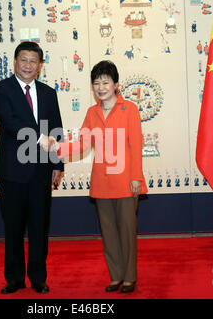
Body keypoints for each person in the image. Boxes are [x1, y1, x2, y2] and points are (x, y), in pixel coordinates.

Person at [45, 60, 147, 293]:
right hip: (102, 181)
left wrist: (136, 177)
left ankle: (130, 276)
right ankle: (116, 276)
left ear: (116, 84)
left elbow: (135, 145)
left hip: (125, 180)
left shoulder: (129, 109)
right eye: (96, 83)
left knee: (127, 231)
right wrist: (57, 147)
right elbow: (82, 144)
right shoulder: (92, 113)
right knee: (108, 231)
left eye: (105, 82)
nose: (101, 87)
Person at [0, 41, 63, 294]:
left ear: (40, 66)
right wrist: (38, 137)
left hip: (41, 171)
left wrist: (57, 163)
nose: (28, 65)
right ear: (15, 61)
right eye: (24, 60)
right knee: (12, 226)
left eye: (34, 61)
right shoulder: (1, 90)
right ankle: (14, 277)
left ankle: (38, 277)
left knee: (39, 226)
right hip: (12, 170)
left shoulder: (48, 93)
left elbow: (55, 129)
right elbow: (9, 123)